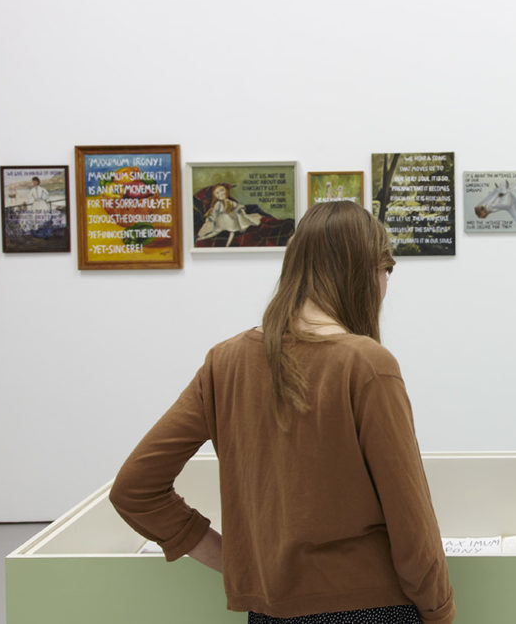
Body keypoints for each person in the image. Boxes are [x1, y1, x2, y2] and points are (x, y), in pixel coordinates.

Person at [110, 201, 455, 624]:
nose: (386, 285)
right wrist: (439, 610)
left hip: (269, 613)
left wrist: (235, 562)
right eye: (387, 270)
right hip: (370, 608)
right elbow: (411, 523)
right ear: (365, 271)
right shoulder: (366, 364)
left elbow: (133, 489)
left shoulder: (226, 361)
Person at [197, 184, 263, 246]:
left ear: (226, 191)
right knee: (215, 232)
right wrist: (211, 218)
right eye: (217, 193)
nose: (221, 193)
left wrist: (240, 208)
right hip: (221, 222)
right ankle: (201, 238)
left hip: (231, 221)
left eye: (222, 190)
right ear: (216, 196)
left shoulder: (230, 202)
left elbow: (237, 206)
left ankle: (228, 244)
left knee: (232, 232)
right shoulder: (218, 204)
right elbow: (215, 212)